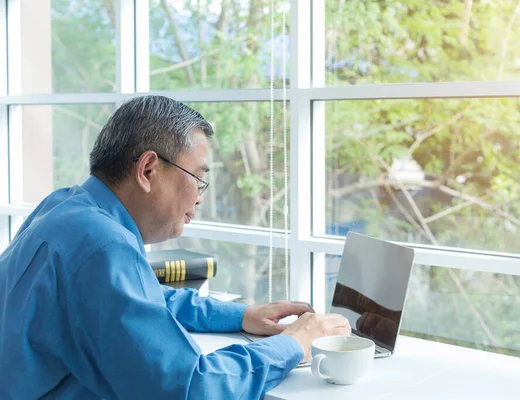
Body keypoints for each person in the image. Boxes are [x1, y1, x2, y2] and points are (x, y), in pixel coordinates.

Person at [0, 95, 351, 399]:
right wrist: (293, 345)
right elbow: (191, 389)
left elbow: (135, 298)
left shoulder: (65, 207)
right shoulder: (104, 246)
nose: (200, 198)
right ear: (148, 170)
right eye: (199, 178)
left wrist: (241, 315)